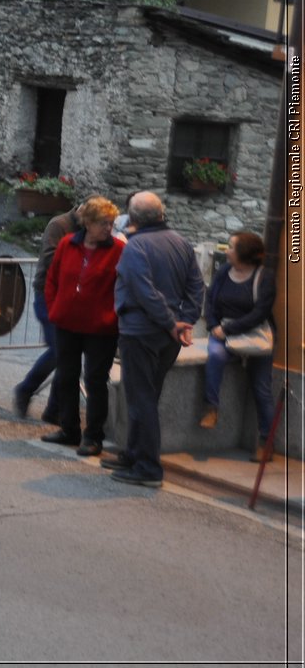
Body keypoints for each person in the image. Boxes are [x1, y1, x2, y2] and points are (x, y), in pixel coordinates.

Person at [105, 192, 204, 488]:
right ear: (161, 214)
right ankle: (134, 455)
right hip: (166, 336)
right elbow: (196, 286)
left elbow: (144, 292)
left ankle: (147, 467)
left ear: (132, 218)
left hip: (142, 332)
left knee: (141, 399)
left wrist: (173, 322)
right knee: (147, 396)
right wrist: (185, 320)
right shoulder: (180, 242)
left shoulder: (136, 248)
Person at [40, 196, 125, 457]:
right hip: (67, 323)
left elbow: (125, 288)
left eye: (111, 223)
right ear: (87, 223)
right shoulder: (67, 244)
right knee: (66, 377)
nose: (108, 228)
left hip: (101, 329)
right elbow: (52, 277)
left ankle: (93, 436)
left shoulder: (118, 250)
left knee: (96, 381)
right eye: (103, 223)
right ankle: (69, 429)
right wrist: (55, 308)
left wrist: (112, 316)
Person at [200, 230, 277, 462]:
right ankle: (211, 407)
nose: (227, 251)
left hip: (253, 335)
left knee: (262, 389)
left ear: (244, 253)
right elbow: (211, 300)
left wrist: (229, 330)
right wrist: (214, 325)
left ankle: (266, 441)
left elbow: (260, 312)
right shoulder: (224, 271)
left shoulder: (264, 277)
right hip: (221, 331)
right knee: (215, 355)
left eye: (232, 247)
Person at [13, 201, 80, 424]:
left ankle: (54, 409)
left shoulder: (90, 228)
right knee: (60, 350)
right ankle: (25, 389)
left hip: (72, 298)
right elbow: (51, 258)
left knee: (68, 353)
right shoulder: (59, 225)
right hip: (47, 295)